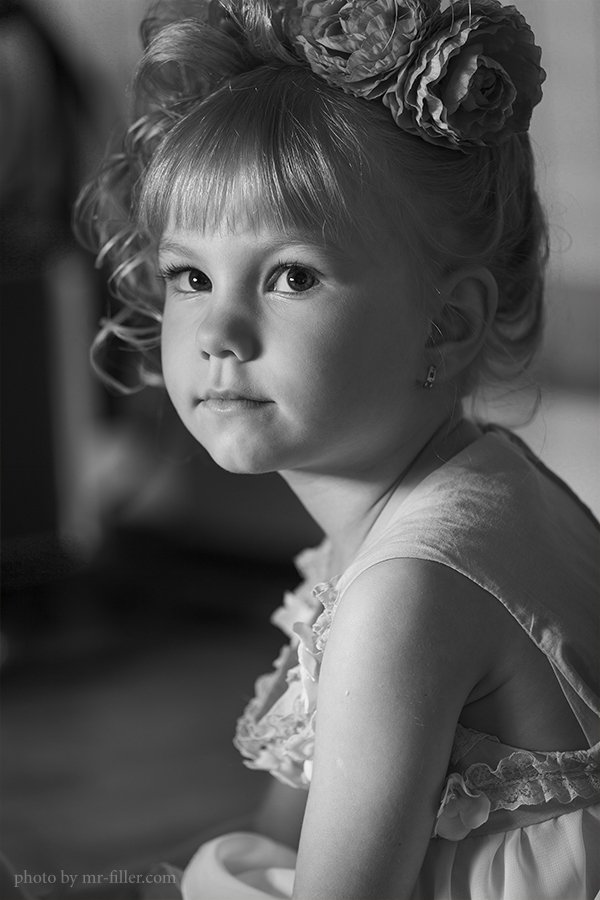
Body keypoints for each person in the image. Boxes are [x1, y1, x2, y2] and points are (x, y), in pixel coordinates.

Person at [74, 1, 600, 898]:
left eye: (292, 276)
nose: (219, 332)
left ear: (448, 322)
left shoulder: (411, 590)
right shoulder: (475, 478)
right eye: (191, 276)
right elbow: (288, 824)